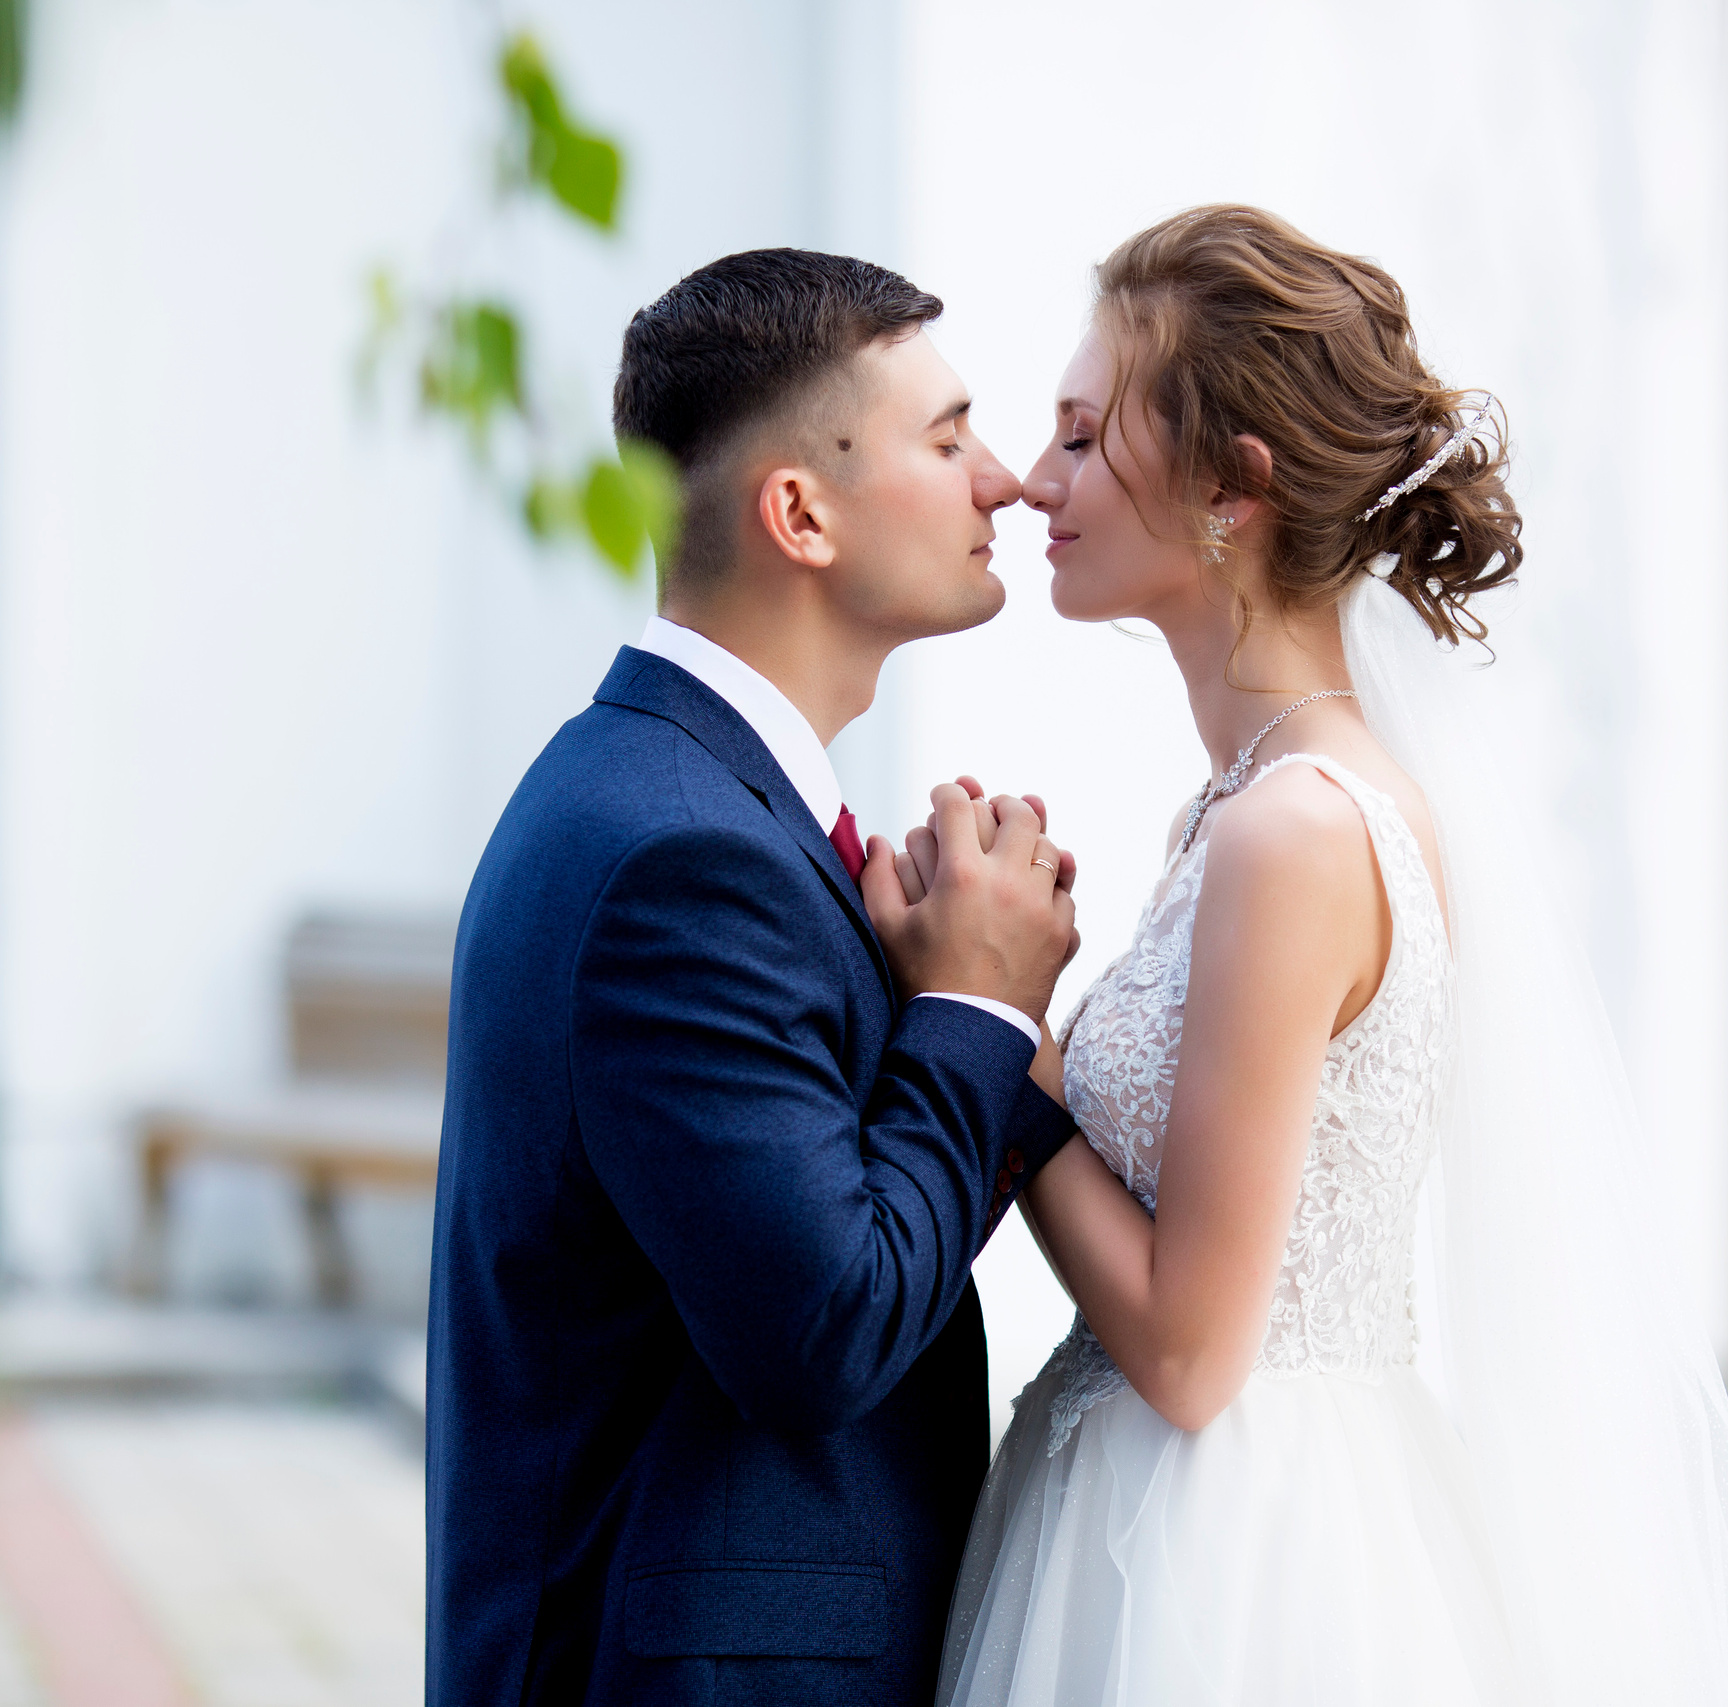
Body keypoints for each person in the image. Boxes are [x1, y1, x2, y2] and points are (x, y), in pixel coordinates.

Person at [935, 206, 1728, 1706]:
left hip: (1241, 1564)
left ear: (1232, 486)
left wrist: (996, 1026)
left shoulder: (1297, 833)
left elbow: (1192, 1353)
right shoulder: (1236, 810)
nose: (1034, 480)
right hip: (1151, 1511)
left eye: (1080, 436)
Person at [424, 249, 1089, 1707]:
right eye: (948, 439)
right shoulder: (680, 855)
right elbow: (821, 1330)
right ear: (799, 513)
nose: (1004, 481)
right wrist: (975, 1008)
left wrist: (955, 1019)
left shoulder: (686, 801)